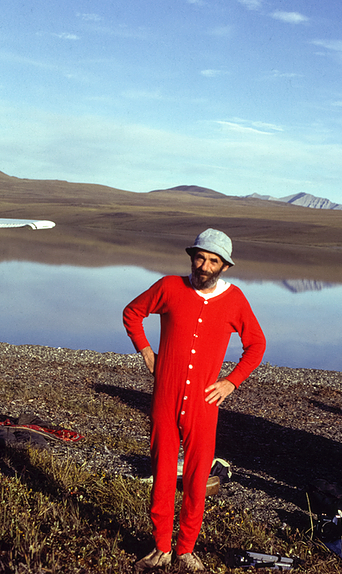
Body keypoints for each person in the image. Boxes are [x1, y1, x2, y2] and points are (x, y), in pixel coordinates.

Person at [123, 228, 266, 572]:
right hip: (165, 396)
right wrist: (146, 351)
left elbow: (256, 344)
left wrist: (230, 382)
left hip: (204, 403)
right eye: (199, 258)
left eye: (213, 261)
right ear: (192, 257)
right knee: (162, 473)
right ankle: (161, 547)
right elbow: (132, 313)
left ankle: (185, 549)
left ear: (225, 266)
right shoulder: (169, 287)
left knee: (197, 478)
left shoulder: (234, 299)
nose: (203, 266)